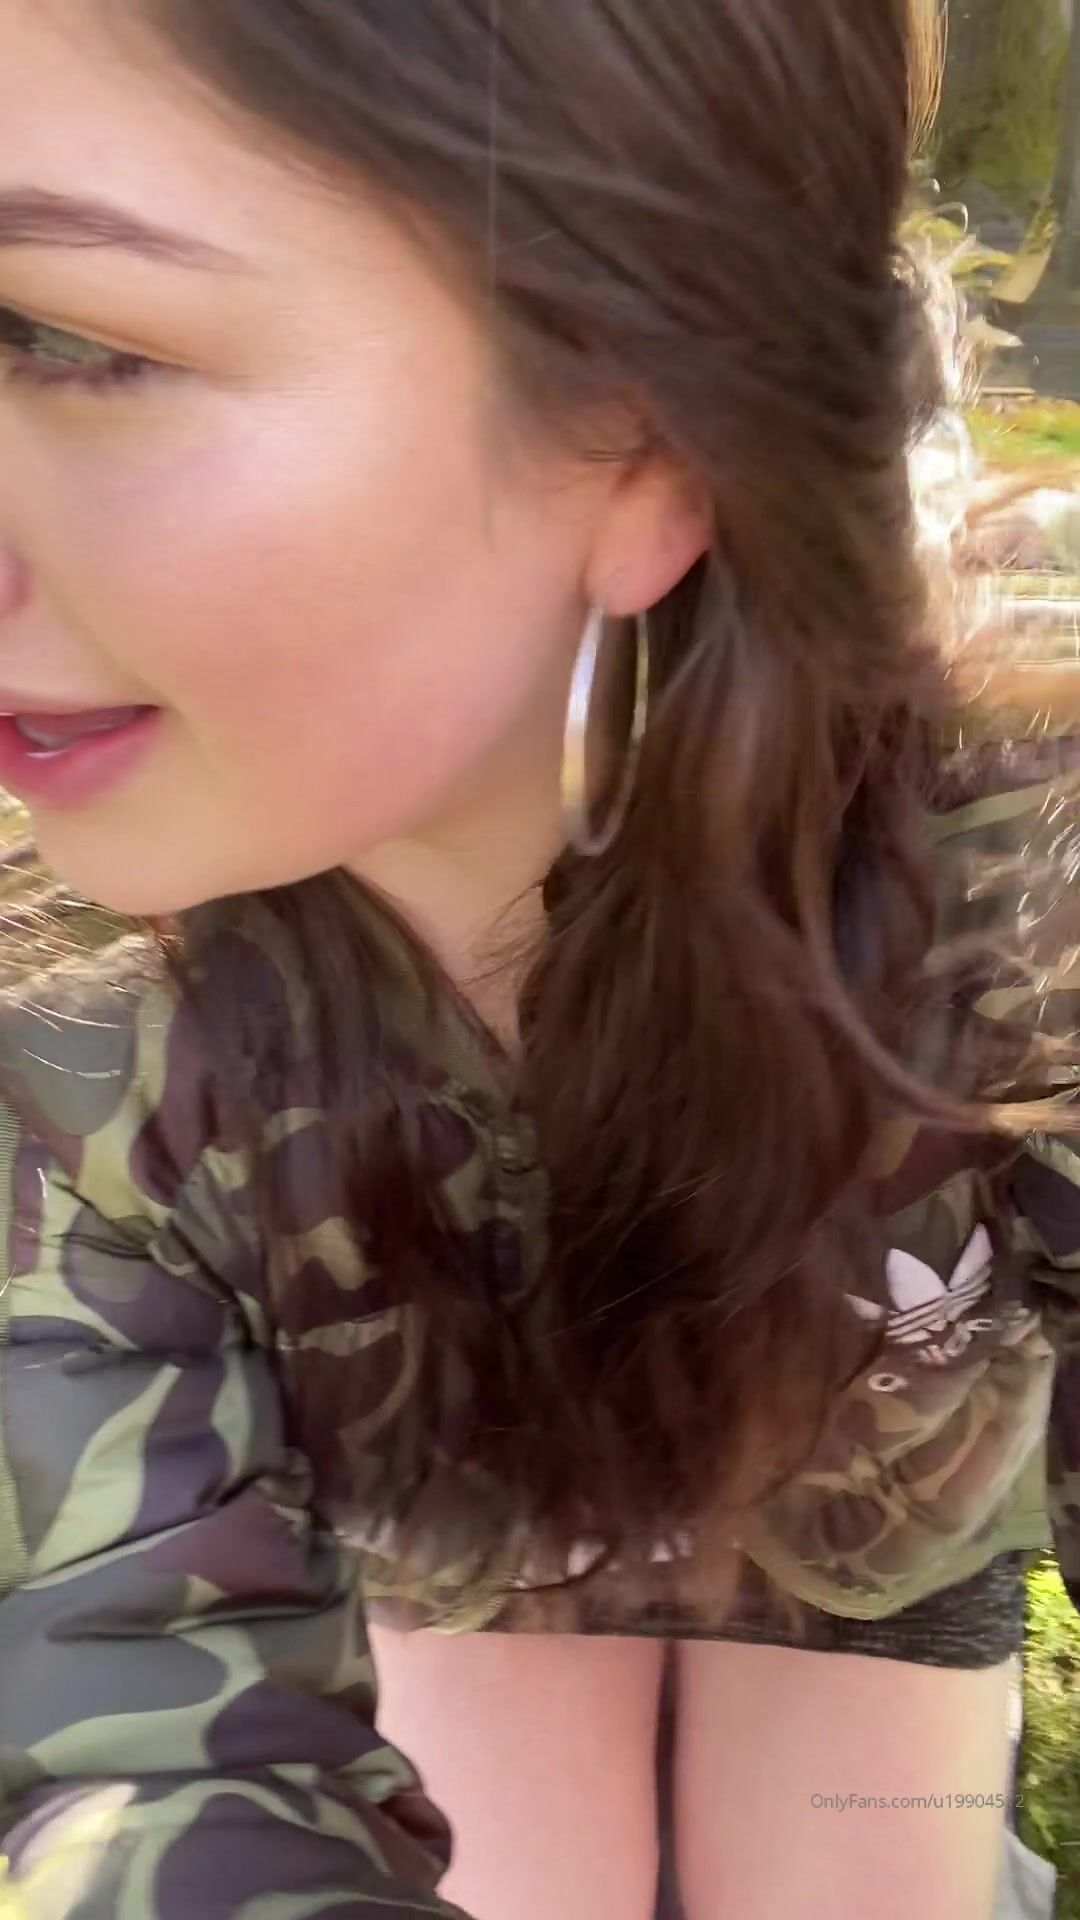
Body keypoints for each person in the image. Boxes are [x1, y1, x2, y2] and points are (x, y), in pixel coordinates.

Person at [0, 3, 1077, 1918]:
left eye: (74, 342)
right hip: (461, 1543)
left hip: (869, 1562)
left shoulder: (1024, 870)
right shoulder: (79, 1024)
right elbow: (135, 1727)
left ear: (653, 436)